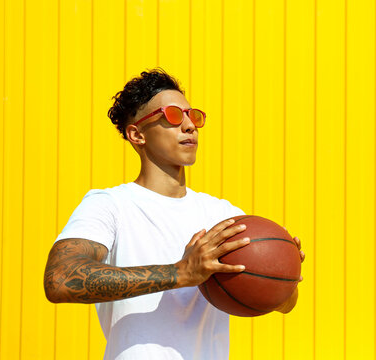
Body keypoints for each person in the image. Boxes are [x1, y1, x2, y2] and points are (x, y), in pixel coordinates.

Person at [43, 68, 303, 360]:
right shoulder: (109, 204)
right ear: (137, 134)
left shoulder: (223, 215)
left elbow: (284, 303)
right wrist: (179, 273)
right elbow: (60, 279)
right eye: (173, 116)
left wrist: (283, 274)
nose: (190, 125)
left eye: (193, 116)